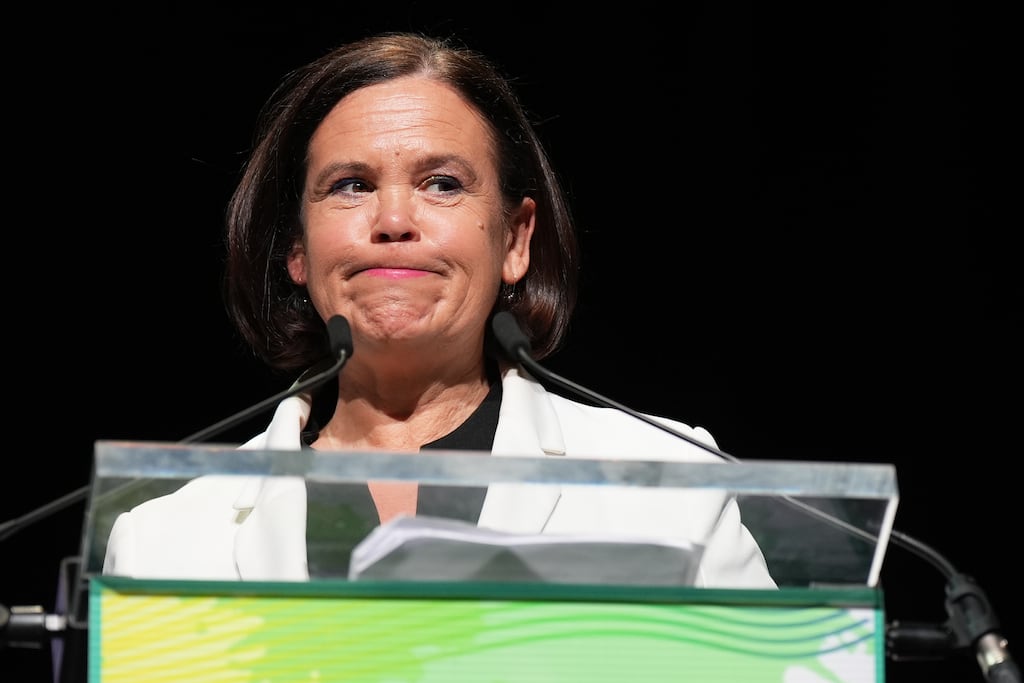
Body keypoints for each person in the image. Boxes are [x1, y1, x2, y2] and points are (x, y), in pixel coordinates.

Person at [101, 31, 775, 589]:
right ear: (296, 251)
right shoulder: (164, 539)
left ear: (514, 240)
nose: (394, 219)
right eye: (351, 185)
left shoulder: (669, 481)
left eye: (442, 183)